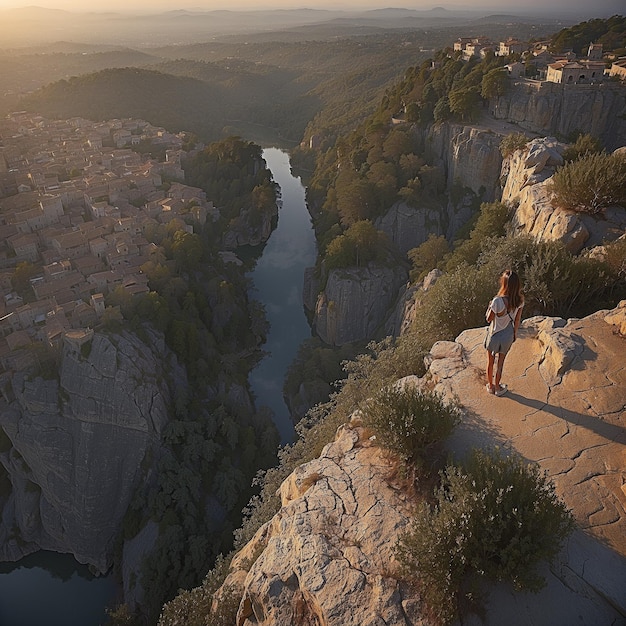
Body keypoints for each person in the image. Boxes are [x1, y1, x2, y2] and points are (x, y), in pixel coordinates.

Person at [484, 269, 524, 396]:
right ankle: (498, 388)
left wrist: (490, 306)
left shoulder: (497, 301)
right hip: (507, 335)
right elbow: (517, 319)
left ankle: (490, 386)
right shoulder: (520, 300)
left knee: (490, 362)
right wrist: (514, 334)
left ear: (504, 283)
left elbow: (488, 319)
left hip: (494, 334)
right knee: (500, 363)